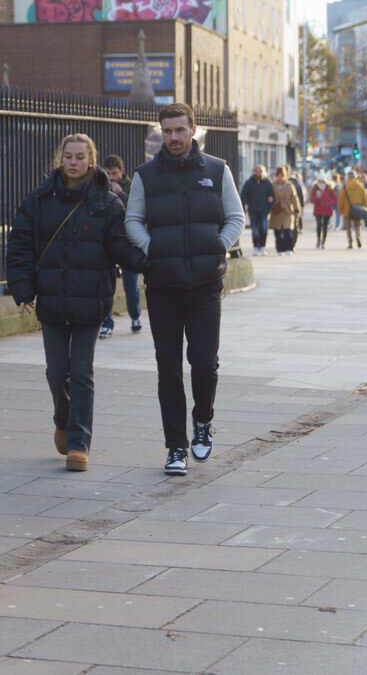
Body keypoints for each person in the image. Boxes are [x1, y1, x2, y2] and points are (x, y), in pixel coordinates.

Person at [8, 134, 146, 472]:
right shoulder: (39, 200)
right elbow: (20, 246)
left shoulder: (107, 203)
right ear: (60, 158)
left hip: (91, 301)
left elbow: (120, 247)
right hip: (52, 300)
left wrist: (151, 261)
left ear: (91, 159)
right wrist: (23, 291)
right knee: (57, 372)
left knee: (81, 372)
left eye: (80, 157)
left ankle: (79, 443)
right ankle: (63, 418)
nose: (73, 162)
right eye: (68, 156)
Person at [125, 103, 245, 476]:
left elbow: (236, 216)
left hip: (205, 285)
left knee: (205, 363)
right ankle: (175, 446)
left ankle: (203, 421)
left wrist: (218, 246)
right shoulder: (145, 175)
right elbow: (133, 220)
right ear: (161, 132)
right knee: (168, 369)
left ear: (193, 130)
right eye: (167, 131)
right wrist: (152, 248)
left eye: (180, 130)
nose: (173, 137)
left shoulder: (216, 169)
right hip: (162, 285)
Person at [100, 154, 143, 336]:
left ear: (122, 172)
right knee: (105, 285)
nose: (111, 177)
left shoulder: (132, 186)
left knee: (130, 286)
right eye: (107, 173)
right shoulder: (99, 186)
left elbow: (137, 211)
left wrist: (120, 194)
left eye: (114, 173)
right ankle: (107, 323)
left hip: (127, 242)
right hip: (108, 242)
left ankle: (135, 316)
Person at [239, 165, 274, 255]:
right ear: (254, 172)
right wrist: (243, 207)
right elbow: (243, 195)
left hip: (263, 210)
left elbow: (272, 197)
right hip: (253, 209)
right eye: (257, 171)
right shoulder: (249, 183)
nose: (259, 173)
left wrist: (269, 208)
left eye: (261, 171)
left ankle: (262, 246)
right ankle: (255, 246)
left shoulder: (267, 183)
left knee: (263, 228)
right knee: (254, 229)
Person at [268, 166, 301, 254]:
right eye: (278, 176)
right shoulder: (272, 185)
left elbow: (294, 197)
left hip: (287, 211)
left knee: (288, 231)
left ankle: (289, 248)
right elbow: (268, 196)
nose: (280, 178)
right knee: (277, 232)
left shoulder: (289, 185)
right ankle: (280, 249)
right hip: (276, 211)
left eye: (282, 176)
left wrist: (297, 208)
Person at [339, 170, 367, 248]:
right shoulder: (360, 186)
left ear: (348, 177)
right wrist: (365, 207)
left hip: (347, 209)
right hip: (358, 208)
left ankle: (350, 242)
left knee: (348, 227)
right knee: (358, 225)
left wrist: (340, 210)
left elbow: (341, 199)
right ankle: (358, 237)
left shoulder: (345, 187)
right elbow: (365, 198)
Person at [309, 175, 337, 249]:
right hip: (318, 209)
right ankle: (318, 239)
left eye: (322, 181)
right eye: (319, 181)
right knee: (319, 225)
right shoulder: (315, 188)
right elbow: (311, 199)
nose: (321, 182)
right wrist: (316, 198)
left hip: (327, 210)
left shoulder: (329, 188)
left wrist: (329, 203)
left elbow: (334, 199)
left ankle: (323, 242)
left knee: (325, 226)